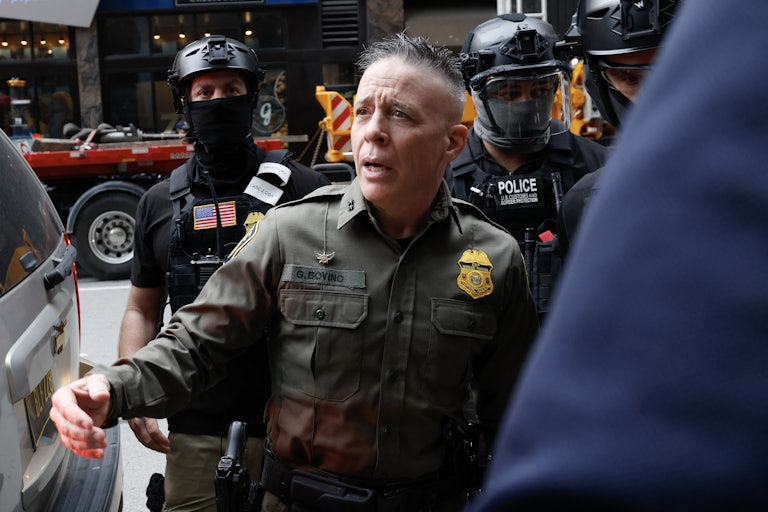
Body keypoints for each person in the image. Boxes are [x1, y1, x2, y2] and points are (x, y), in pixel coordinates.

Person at [51, 34, 539, 512]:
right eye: (364, 111)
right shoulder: (290, 232)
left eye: (399, 114)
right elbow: (195, 344)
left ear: (452, 142)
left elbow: (514, 410)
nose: (373, 131)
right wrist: (111, 389)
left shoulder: (492, 256)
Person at [466, 1, 768, 509]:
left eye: (540, 90)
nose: (526, 104)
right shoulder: (590, 196)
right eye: (629, 76)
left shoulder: (596, 176)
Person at [119, 35, 329, 512]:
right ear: (184, 102)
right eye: (205, 92)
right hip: (194, 429)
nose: (218, 101)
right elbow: (140, 307)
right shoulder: (158, 203)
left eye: (231, 89)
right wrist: (136, 388)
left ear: (251, 98)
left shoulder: (304, 187)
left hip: (295, 425)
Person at [448, 13, 607, 319]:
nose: (526, 103)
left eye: (539, 90)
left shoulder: (595, 167)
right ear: (476, 93)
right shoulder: (442, 172)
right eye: (509, 93)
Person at [558, 0, 680, 256]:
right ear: (596, 82)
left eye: (669, 70)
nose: (651, 96)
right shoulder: (584, 204)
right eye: (631, 78)